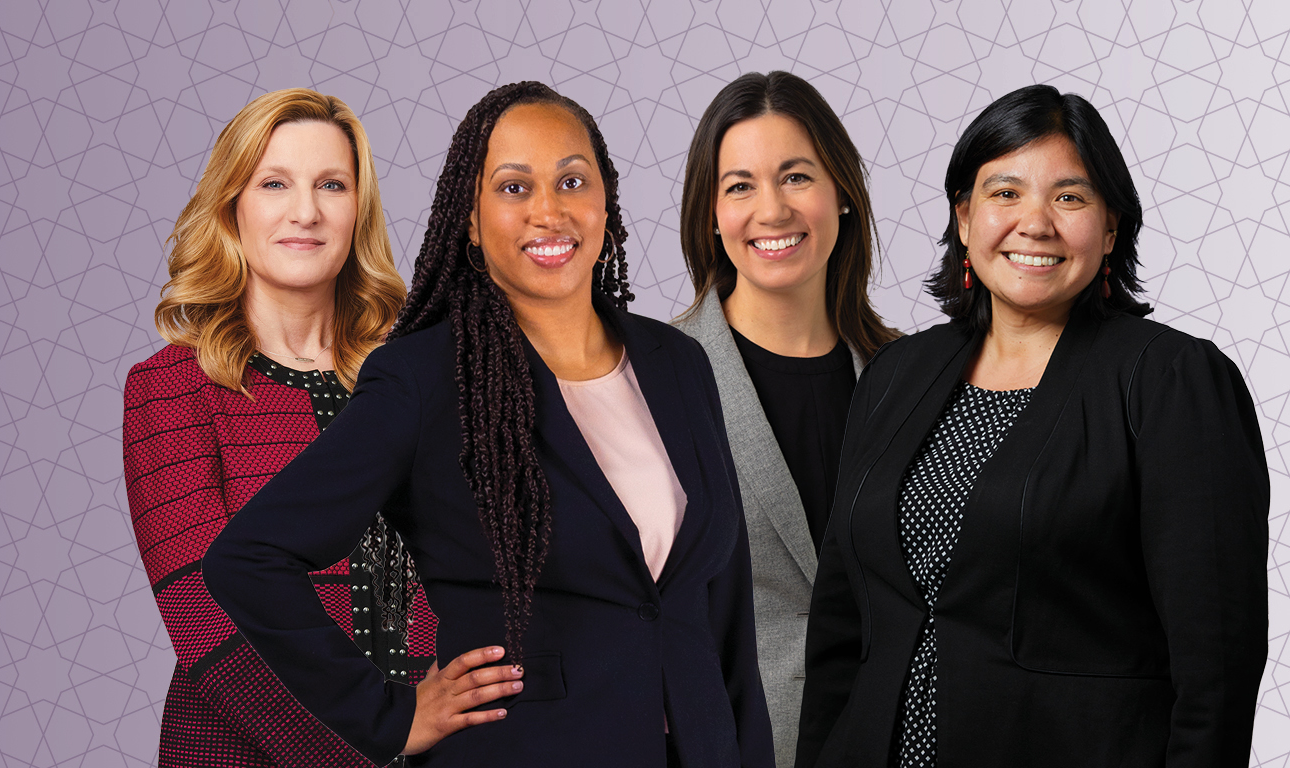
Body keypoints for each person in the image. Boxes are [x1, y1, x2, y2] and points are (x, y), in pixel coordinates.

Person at [205, 81, 774, 767]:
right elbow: (249, 559)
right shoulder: (423, 379)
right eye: (513, 188)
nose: (549, 211)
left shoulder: (677, 363)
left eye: (572, 180)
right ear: (470, 220)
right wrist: (386, 716)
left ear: (606, 202)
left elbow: (727, 614)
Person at [797, 84, 1268, 768]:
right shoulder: (896, 373)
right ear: (964, 218)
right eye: (1005, 192)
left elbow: (1216, 663)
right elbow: (841, 630)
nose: (1035, 222)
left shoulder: (1171, 381)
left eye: (1070, 197)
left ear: (1110, 227)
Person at [122, 87, 441, 768]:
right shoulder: (172, 389)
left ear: (360, 209)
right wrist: (381, 738)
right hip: (248, 753)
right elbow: (210, 619)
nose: (306, 211)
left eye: (332, 184)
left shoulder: (421, 371)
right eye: (275, 183)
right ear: (233, 205)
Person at [667, 70, 900, 767]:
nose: (771, 209)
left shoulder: (907, 379)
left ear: (842, 196)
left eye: (796, 176)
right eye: (739, 185)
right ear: (710, 213)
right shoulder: (654, 380)